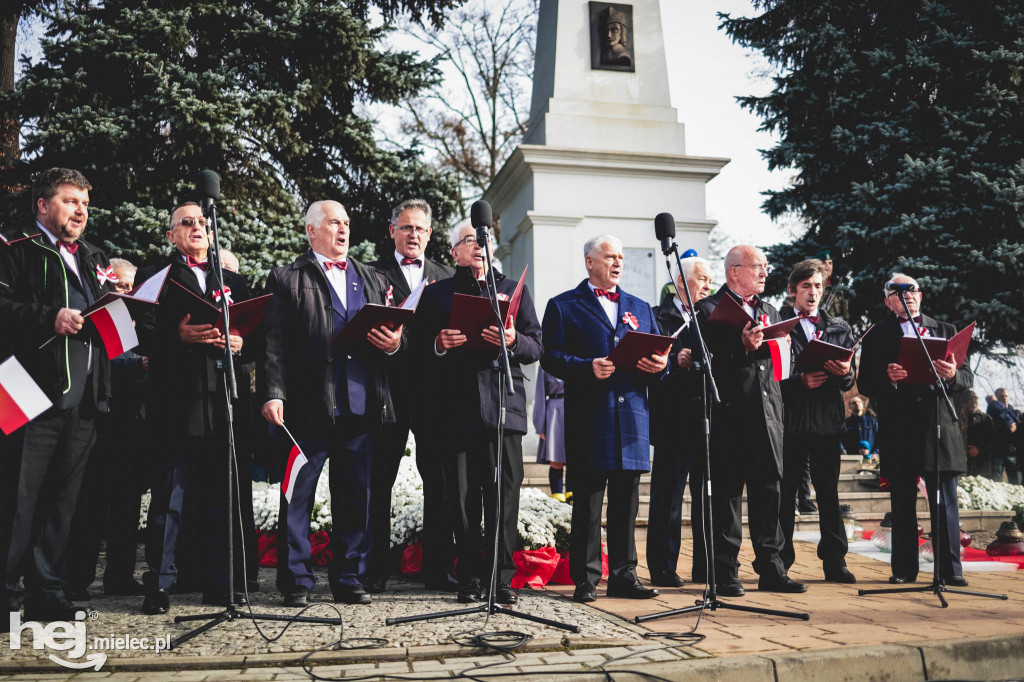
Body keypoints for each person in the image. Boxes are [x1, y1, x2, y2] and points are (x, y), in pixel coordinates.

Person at [261, 200, 401, 607]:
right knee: (298, 496)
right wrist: (273, 393)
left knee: (355, 497)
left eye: (346, 223)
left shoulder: (371, 277)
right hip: (306, 409)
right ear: (311, 231)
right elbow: (273, 345)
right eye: (333, 223)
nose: (343, 230)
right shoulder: (286, 278)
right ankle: (297, 581)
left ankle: (348, 578)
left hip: (360, 406)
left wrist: (395, 344)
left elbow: (394, 331)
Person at [0, 168, 116, 624]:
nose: (81, 210)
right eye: (70, 201)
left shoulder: (93, 255)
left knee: (62, 503)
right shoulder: (12, 246)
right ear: (42, 205)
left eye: (85, 202)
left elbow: (109, 308)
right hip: (30, 394)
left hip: (86, 397)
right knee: (18, 501)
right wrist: (50, 317)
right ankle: (6, 597)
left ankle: (47, 591)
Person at [137, 202, 259, 615]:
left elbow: (255, 336)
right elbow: (143, 336)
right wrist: (179, 337)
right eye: (186, 223)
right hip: (176, 402)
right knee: (170, 496)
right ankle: (160, 583)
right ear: (171, 234)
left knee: (220, 496)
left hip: (223, 401)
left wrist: (242, 344)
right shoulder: (158, 276)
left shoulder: (234, 281)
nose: (197, 228)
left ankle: (221, 583)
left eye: (203, 223)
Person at [410, 222, 542, 605]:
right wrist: (437, 343)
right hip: (455, 410)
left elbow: (537, 345)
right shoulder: (436, 296)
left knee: (504, 496)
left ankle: (500, 578)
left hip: (504, 406)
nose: (479, 247)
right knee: (463, 498)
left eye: (484, 241)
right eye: (470, 241)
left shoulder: (514, 289)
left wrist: (515, 340)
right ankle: (468, 576)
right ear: (454, 252)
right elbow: (416, 350)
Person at [541, 235, 667, 603]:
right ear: (589, 262)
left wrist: (660, 366)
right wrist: (586, 367)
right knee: (588, 504)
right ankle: (586, 578)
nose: (617, 263)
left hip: (632, 419)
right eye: (610, 257)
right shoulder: (564, 306)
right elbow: (550, 357)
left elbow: (663, 358)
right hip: (589, 418)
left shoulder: (640, 307)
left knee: (627, 503)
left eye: (621, 258)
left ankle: (625, 575)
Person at [694, 245, 805, 596]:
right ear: (734, 272)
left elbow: (786, 365)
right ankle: (726, 571)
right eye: (757, 266)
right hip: (729, 416)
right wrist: (740, 347)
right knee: (727, 496)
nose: (764, 272)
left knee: (768, 493)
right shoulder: (707, 309)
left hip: (769, 416)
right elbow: (702, 363)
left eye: (765, 266)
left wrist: (788, 347)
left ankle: (771, 568)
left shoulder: (771, 311)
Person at [858, 273, 972, 586]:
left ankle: (951, 570)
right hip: (900, 426)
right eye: (898, 291)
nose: (906, 294)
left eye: (912, 289)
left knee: (945, 503)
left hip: (938, 424)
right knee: (903, 502)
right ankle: (905, 570)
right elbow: (865, 382)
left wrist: (951, 375)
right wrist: (889, 377)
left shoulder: (945, 330)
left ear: (920, 296)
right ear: (887, 301)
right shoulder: (878, 335)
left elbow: (966, 379)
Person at [366, 199, 456, 593]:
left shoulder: (446, 276)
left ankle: (436, 569)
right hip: (389, 392)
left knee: (439, 482)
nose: (413, 234)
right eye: (406, 228)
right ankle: (375, 571)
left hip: (437, 397)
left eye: (420, 229)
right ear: (392, 232)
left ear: (430, 234)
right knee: (378, 480)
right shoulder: (372, 275)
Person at [65, 258, 149, 599]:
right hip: (100, 423)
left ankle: (119, 576)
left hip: (133, 425)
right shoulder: (103, 316)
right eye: (118, 286)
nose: (125, 292)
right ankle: (77, 579)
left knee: (128, 505)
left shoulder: (142, 321)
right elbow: (105, 359)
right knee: (92, 505)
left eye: (130, 287)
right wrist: (141, 363)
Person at [777, 259, 856, 583]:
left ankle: (835, 561)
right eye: (806, 286)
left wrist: (845, 373)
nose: (813, 293)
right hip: (789, 422)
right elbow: (768, 377)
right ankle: (780, 560)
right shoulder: (777, 324)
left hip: (826, 422)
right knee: (784, 495)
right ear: (793, 289)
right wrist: (798, 382)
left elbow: (850, 380)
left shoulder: (839, 328)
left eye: (818, 287)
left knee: (828, 493)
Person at [646, 257, 712, 587]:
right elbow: (650, 358)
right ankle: (662, 566)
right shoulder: (659, 316)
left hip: (706, 416)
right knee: (668, 497)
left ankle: (706, 566)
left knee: (706, 496)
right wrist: (675, 359)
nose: (708, 286)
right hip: (672, 416)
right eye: (703, 279)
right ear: (683, 282)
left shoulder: (709, 316)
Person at [533, 366, 567, 501]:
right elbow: (540, 395)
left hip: (576, 408)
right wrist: (540, 424)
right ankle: (557, 499)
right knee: (556, 459)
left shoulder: (579, 358)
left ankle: (572, 498)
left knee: (575, 459)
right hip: (554, 412)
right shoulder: (546, 364)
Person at [987, 388, 1020, 484]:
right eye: (1001, 396)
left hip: (1012, 453)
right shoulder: (992, 413)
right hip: (997, 453)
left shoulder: (1015, 413)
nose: (1004, 398)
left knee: (1015, 485)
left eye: (1006, 396)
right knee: (996, 484)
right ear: (996, 398)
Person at [965, 391, 995, 480]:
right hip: (964, 460)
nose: (973, 401)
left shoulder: (986, 418)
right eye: (970, 398)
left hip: (982, 461)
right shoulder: (960, 417)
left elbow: (993, 438)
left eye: (975, 398)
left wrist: (979, 449)